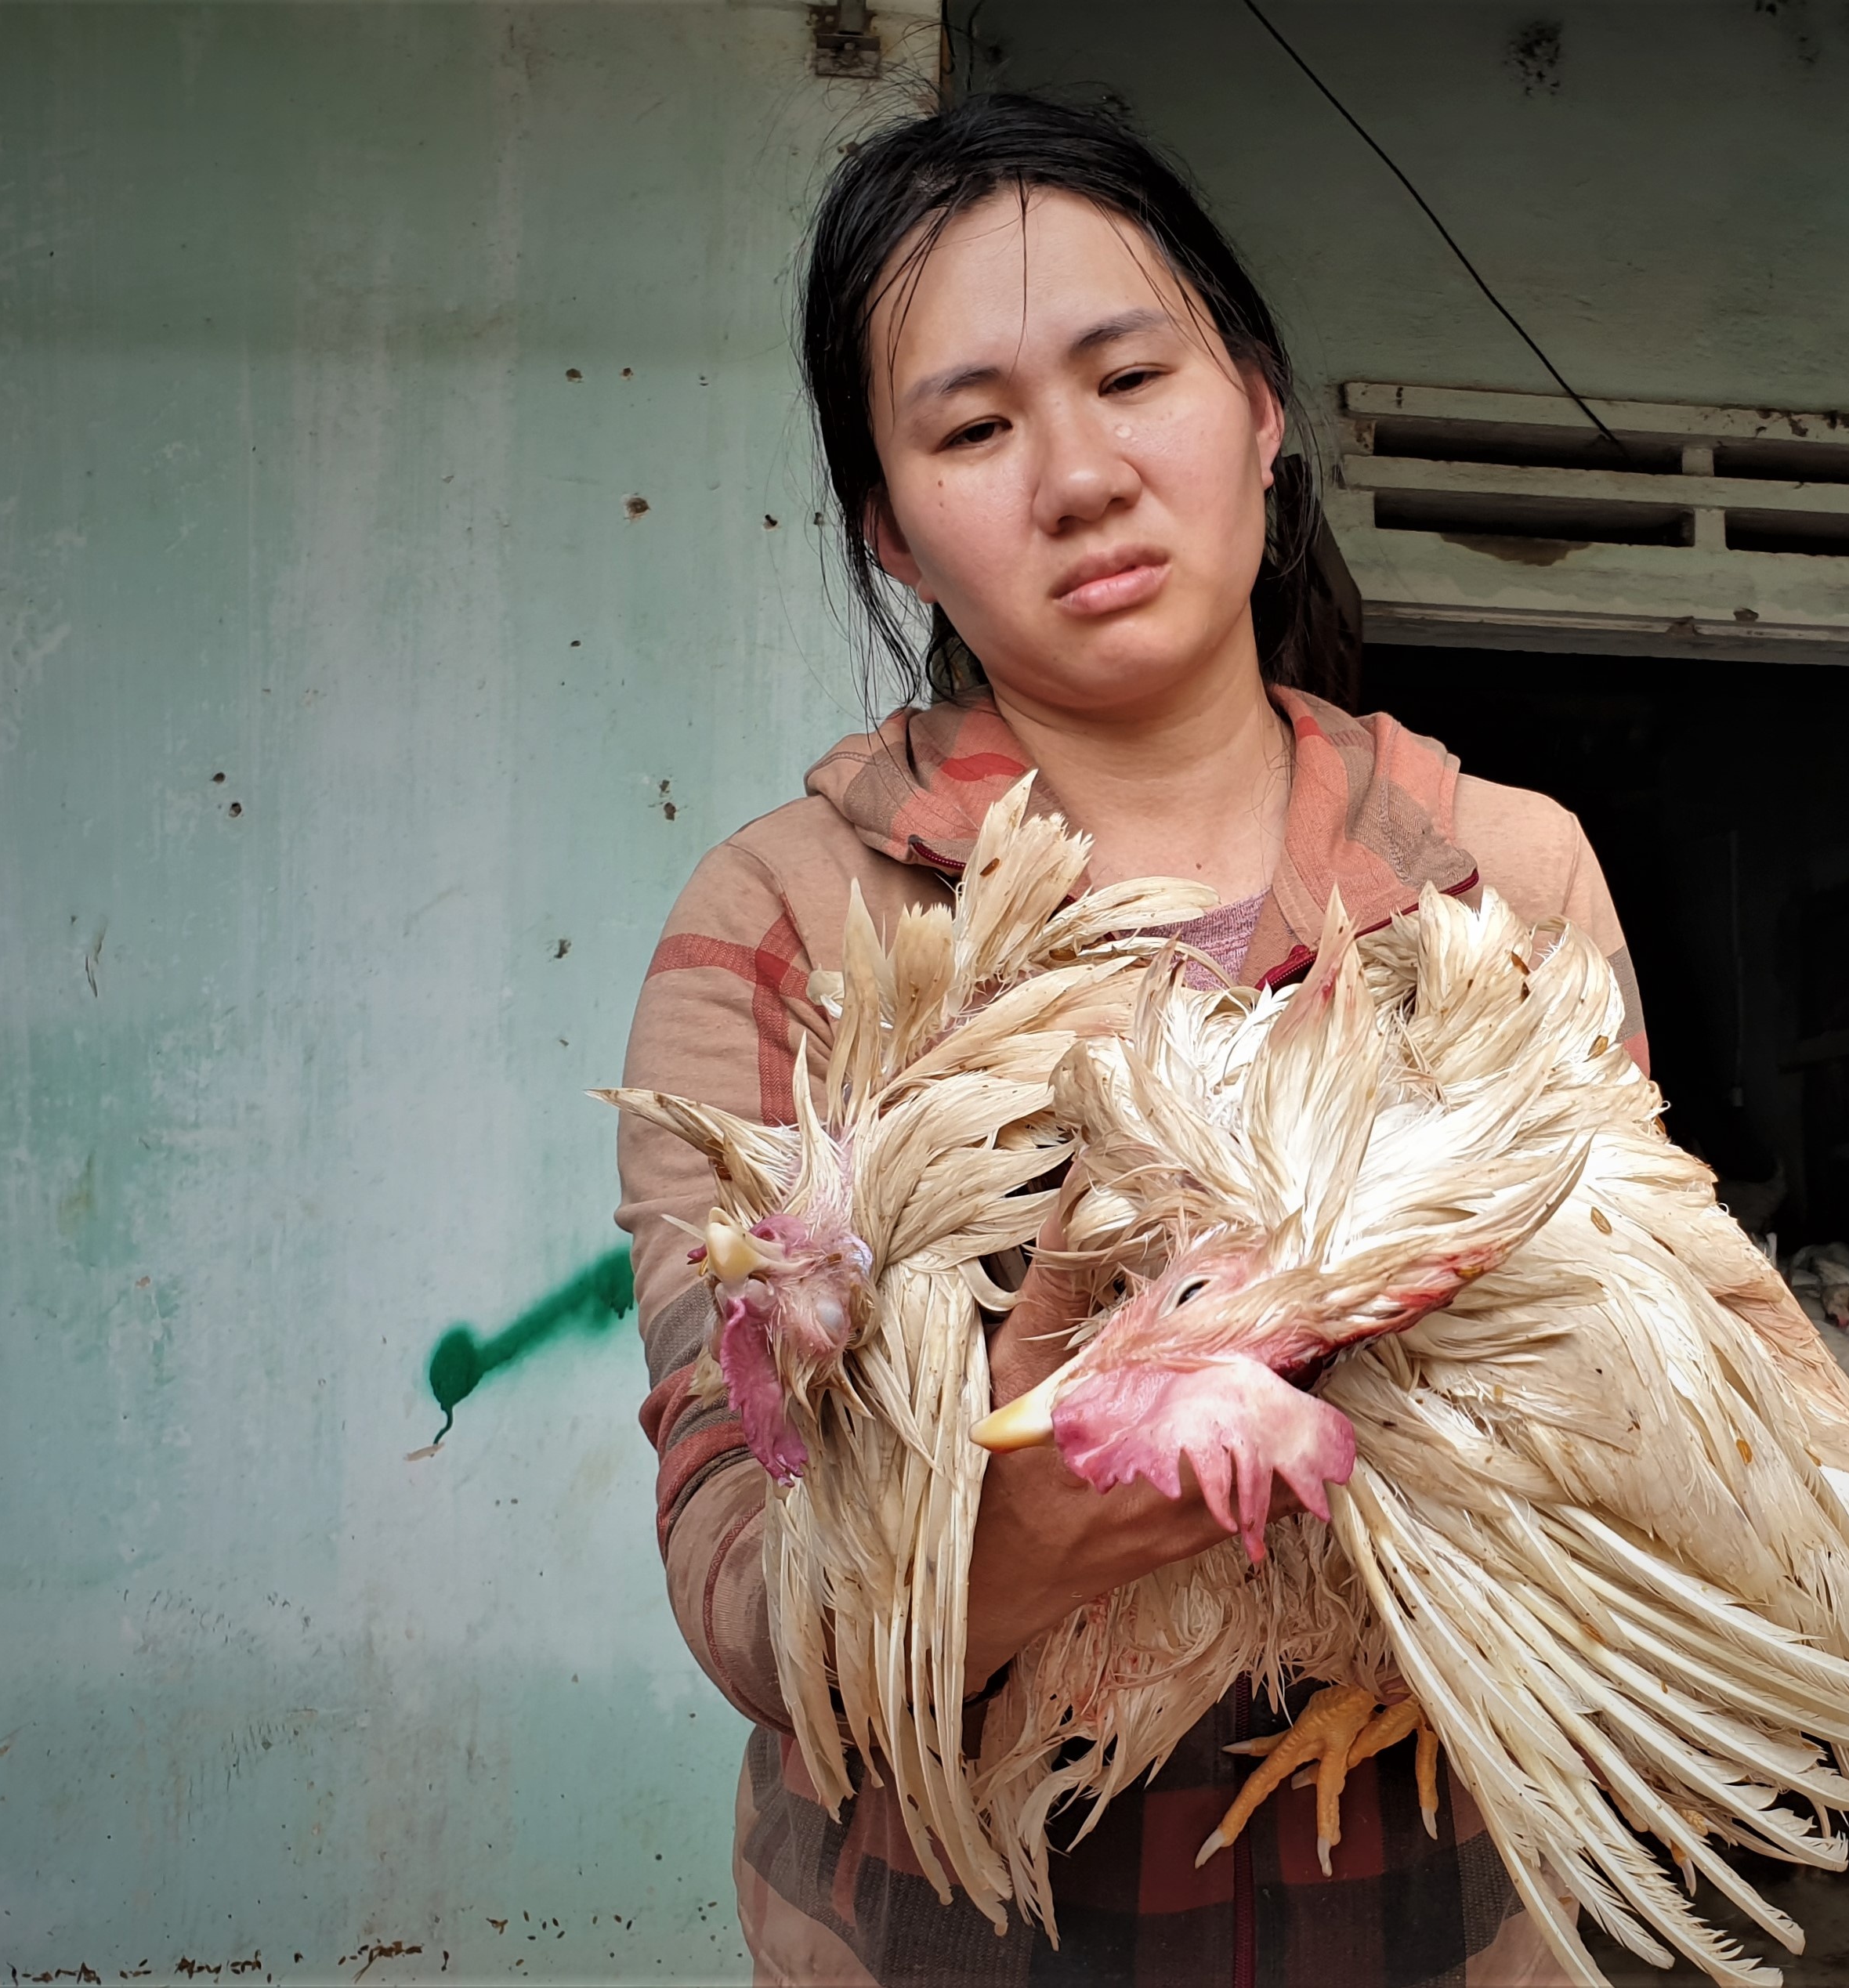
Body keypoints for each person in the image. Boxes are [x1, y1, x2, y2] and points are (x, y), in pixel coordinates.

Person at [614, 95, 1645, 1985]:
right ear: (893, 533)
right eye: (975, 427)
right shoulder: (788, 924)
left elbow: (1653, 1422)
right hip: (942, 1934)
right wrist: (1007, 1536)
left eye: (1129, 375)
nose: (1077, 476)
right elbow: (737, 1589)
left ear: (1261, 409)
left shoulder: (1508, 878)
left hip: (1432, 1925)